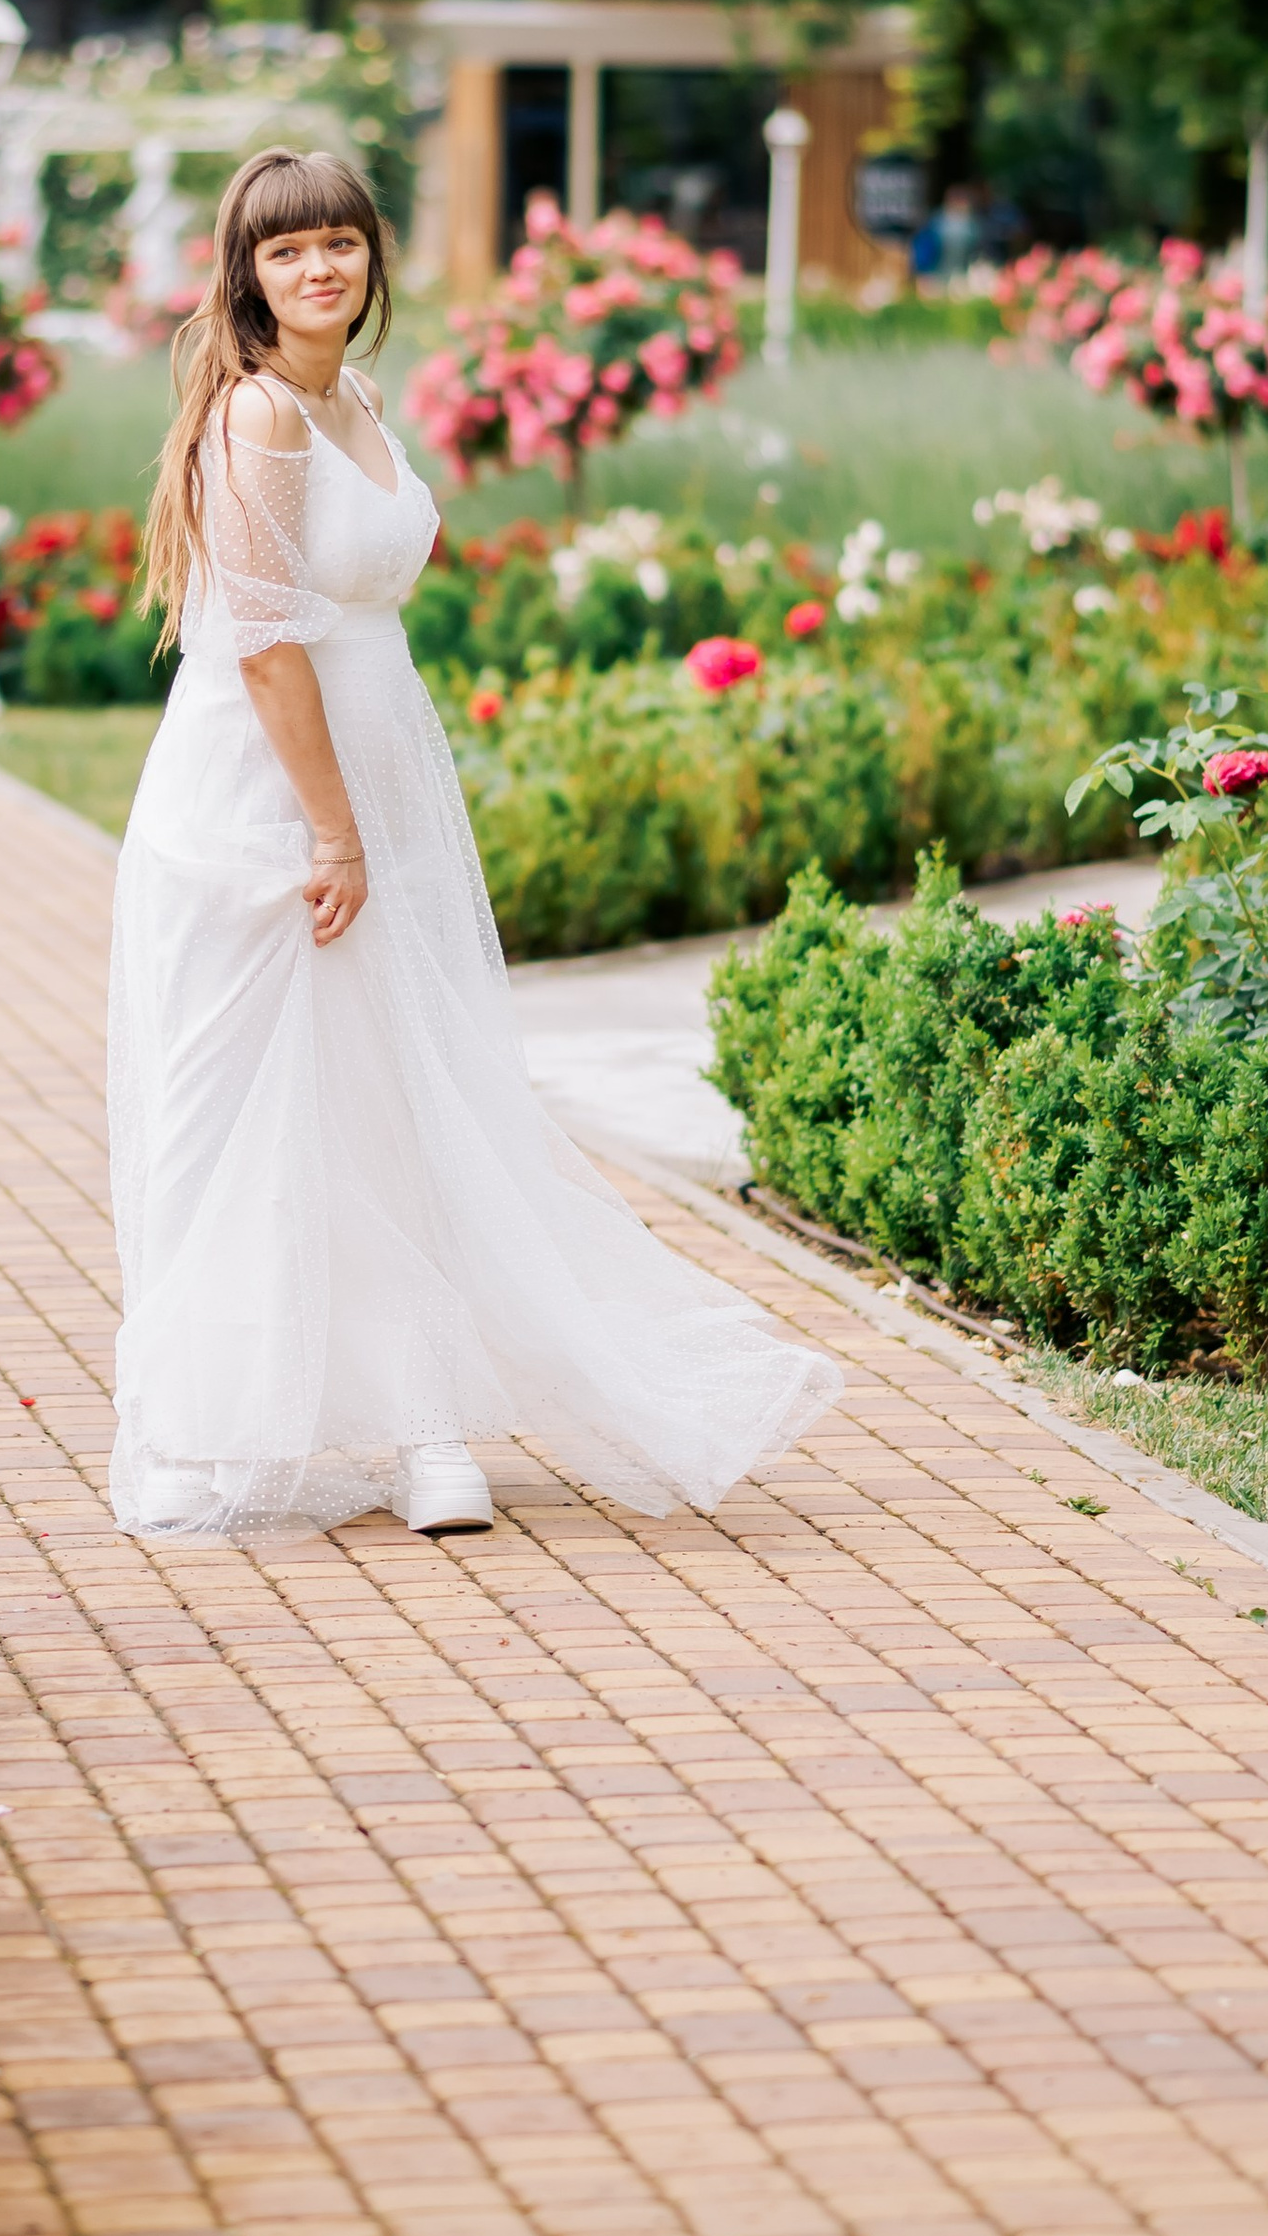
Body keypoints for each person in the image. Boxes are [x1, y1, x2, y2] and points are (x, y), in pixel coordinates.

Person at [107, 146, 843, 1546]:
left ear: (372, 259)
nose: (318, 268)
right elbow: (264, 650)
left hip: (374, 783)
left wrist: (369, 817)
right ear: (246, 277)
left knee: (395, 1100)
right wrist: (331, 831)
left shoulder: (357, 402)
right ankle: (212, 1431)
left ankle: (422, 1424)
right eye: (286, 251)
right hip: (260, 808)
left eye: (338, 243)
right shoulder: (260, 419)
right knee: (249, 1119)